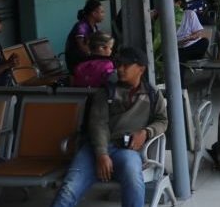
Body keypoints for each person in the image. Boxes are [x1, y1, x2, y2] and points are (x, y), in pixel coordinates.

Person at [51, 47, 167, 207]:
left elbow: (162, 120)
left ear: (141, 68)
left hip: (127, 151)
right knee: (68, 189)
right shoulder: (106, 93)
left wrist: (146, 132)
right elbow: (98, 124)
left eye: (126, 65)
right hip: (95, 149)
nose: (120, 69)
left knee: (134, 180)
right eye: (119, 64)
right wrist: (102, 154)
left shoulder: (152, 94)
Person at [64, 0, 105, 74]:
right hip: (77, 61)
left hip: (86, 58)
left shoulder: (94, 27)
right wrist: (96, 56)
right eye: (102, 12)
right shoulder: (82, 26)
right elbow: (82, 46)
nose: (104, 14)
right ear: (94, 13)